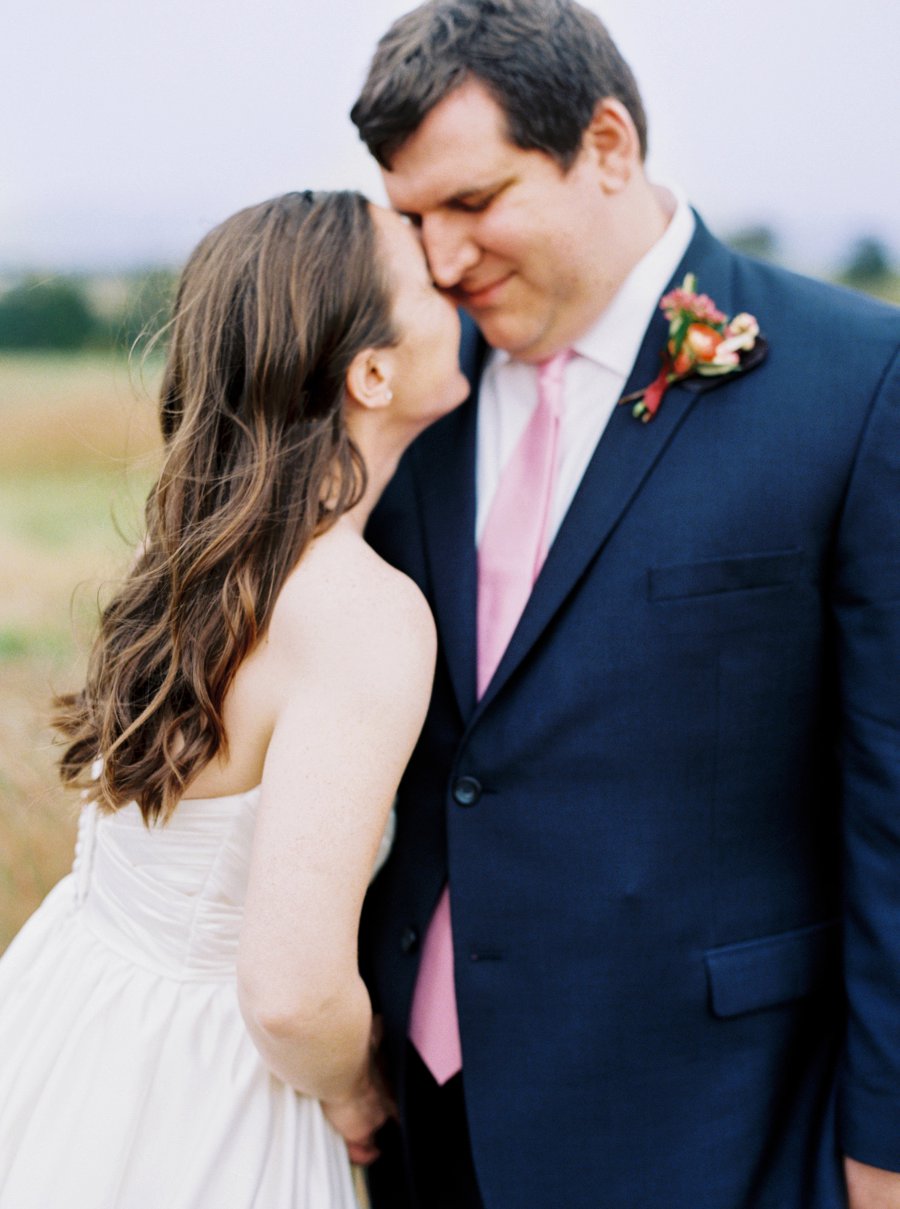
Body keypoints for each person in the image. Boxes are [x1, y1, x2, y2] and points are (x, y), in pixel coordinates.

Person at [346, 2, 900, 1206]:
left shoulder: (856, 384)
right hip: (421, 1123)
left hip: (715, 1121)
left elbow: (892, 806)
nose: (440, 260)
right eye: (412, 218)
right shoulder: (413, 393)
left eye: (475, 203)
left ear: (605, 145)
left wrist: (888, 1153)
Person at [0, 189, 469, 1208]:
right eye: (430, 278)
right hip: (208, 1095)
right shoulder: (362, 612)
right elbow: (293, 994)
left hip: (76, 1016)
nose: (461, 276)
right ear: (372, 372)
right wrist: (357, 1098)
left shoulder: (200, 551)